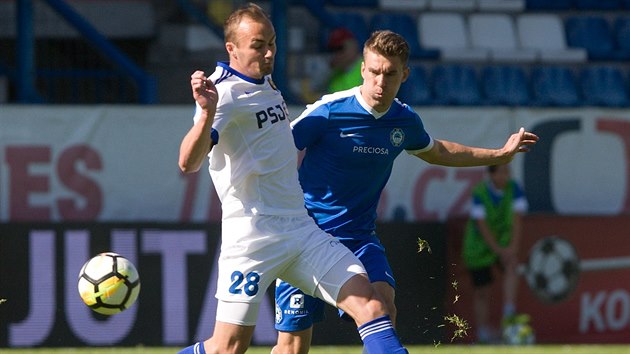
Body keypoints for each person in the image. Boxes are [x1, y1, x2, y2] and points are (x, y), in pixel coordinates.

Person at [272, 30, 539, 354]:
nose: (380, 83)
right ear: (363, 69)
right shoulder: (329, 111)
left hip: (359, 238)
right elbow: (275, 151)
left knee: (383, 308)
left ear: (404, 74)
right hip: (307, 239)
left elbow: (439, 151)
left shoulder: (403, 121)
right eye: (374, 72)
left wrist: (498, 155)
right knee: (292, 347)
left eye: (390, 74)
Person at [176, 4, 409, 354]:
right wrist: (205, 114)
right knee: (228, 347)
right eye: (258, 45)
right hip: (252, 237)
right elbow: (187, 163)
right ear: (232, 49)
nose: (269, 52)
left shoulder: (264, 79)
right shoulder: (221, 94)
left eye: (272, 42)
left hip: (299, 229)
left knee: (373, 307)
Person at [462, 163, 528, 344]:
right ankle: (483, 332)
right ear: (491, 174)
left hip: (505, 245)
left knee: (512, 267)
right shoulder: (479, 192)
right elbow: (482, 226)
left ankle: (509, 316)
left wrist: (512, 249)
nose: (506, 176)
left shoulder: (514, 189)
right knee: (482, 290)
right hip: (479, 249)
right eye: (502, 172)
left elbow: (517, 220)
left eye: (508, 171)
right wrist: (500, 250)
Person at [326, 27, 363, 93]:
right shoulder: (333, 75)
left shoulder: (369, 69)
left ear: (353, 46)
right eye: (333, 50)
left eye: (340, 48)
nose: (337, 54)